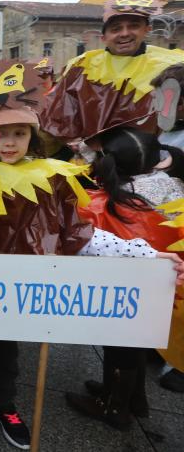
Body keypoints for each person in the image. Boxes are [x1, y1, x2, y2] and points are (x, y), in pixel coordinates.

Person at [0, 97, 184, 449]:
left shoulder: (51, 179)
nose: (8, 143)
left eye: (18, 133)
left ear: (31, 138)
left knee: (7, 355)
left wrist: (145, 254)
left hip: (18, 292)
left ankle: (3, 404)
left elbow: (77, 233)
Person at [68, 127, 184, 426]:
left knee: (120, 343)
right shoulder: (169, 186)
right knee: (136, 343)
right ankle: (133, 398)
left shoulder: (117, 198)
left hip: (127, 284)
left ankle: (114, 407)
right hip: (162, 282)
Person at [41, 0, 184, 143]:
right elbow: (57, 116)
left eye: (133, 26)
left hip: (158, 158)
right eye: (116, 29)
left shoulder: (173, 65)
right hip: (92, 158)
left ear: (147, 30)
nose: (124, 33)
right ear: (104, 37)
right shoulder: (82, 66)